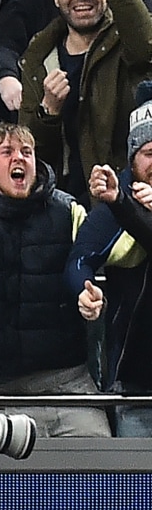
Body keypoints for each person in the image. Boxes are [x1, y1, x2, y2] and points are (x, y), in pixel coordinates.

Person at [0, 122, 111, 437]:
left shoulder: (68, 211)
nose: (18, 159)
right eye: (6, 152)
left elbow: (97, 259)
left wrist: (89, 296)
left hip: (68, 385)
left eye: (26, 152)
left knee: (104, 477)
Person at [19, 0, 152, 205]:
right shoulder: (39, 57)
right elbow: (31, 151)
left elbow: (146, 51)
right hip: (63, 202)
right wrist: (48, 112)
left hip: (125, 196)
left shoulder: (127, 37)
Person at [66, 80, 152, 436]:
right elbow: (78, 261)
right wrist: (84, 292)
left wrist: (124, 207)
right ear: (132, 157)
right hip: (136, 385)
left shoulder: (120, 202)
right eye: (149, 153)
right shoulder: (117, 195)